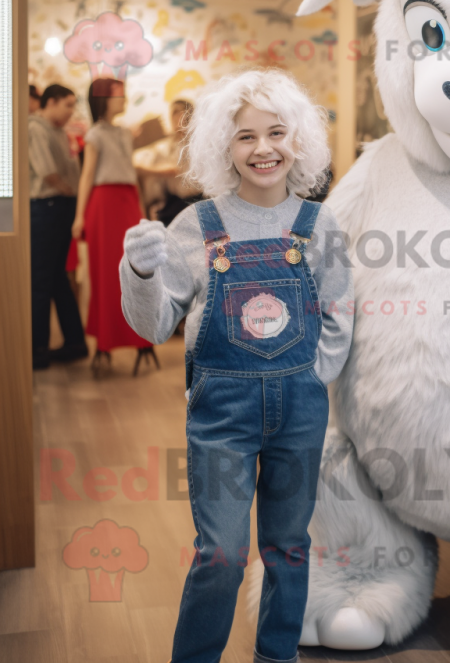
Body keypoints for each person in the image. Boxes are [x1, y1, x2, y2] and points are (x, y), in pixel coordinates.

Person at [119, 68, 353, 663]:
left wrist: (316, 375)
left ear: (297, 141)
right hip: (222, 415)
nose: (263, 149)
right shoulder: (196, 226)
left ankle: (277, 656)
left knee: (288, 547)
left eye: (276, 133)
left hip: (300, 412)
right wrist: (141, 272)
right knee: (220, 553)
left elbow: (339, 311)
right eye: (245, 136)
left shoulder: (319, 225)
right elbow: (151, 326)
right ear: (223, 145)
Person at [71, 78, 153, 374]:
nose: (125, 99)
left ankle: (140, 338)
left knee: (136, 271)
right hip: (103, 205)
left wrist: (142, 213)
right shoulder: (95, 134)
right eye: (120, 95)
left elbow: (131, 174)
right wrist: (79, 217)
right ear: (104, 98)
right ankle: (105, 342)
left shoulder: (123, 133)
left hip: (127, 201)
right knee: (106, 276)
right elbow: (87, 176)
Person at [29, 84, 88, 369]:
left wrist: (70, 196)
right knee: (47, 279)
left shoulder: (59, 132)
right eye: (67, 105)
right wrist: (69, 193)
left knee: (49, 278)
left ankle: (47, 349)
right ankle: (50, 345)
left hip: (55, 208)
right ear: (49, 102)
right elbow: (48, 172)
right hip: (48, 206)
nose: (71, 111)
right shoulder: (35, 128)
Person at [133, 99, 203, 225]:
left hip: (197, 203)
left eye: (180, 112)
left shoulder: (199, 144)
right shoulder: (164, 146)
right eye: (173, 113)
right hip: (172, 206)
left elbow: (178, 169)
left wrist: (148, 171)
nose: (176, 117)